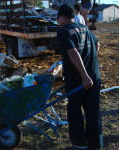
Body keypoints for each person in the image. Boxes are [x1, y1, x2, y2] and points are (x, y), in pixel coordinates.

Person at [57, 5, 103, 150]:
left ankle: (80, 144)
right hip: (94, 76)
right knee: (92, 111)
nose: (57, 21)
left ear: (63, 17)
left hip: (78, 79)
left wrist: (84, 76)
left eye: (58, 18)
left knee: (75, 110)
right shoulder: (84, 28)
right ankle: (96, 144)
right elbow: (97, 44)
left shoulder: (64, 31)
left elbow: (73, 52)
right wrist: (91, 61)